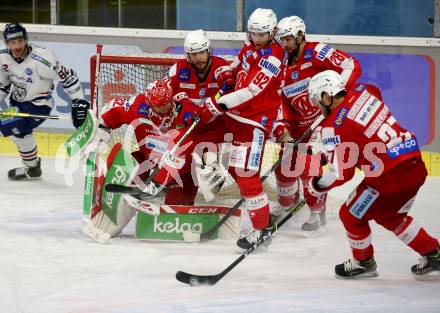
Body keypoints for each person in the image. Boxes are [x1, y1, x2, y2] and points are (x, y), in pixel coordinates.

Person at [306, 70, 440, 280]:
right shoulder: (364, 91)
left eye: (317, 102)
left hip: (388, 178)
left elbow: (341, 173)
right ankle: (433, 253)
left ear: (326, 96)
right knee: (390, 216)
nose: (318, 108)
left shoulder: (333, 128)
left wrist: (317, 186)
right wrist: (331, 148)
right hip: (414, 164)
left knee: (350, 215)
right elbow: (363, 118)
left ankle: (363, 262)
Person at [195, 8, 285, 250]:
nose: (257, 39)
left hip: (255, 122)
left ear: (273, 31)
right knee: (238, 171)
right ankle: (258, 213)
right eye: (253, 34)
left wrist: (216, 105)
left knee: (246, 174)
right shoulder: (251, 46)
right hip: (238, 117)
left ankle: (262, 229)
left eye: (262, 35)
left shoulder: (274, 57)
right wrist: (228, 73)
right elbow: (237, 66)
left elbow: (250, 91)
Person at [272, 16, 361, 235]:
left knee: (311, 166)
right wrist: (283, 125)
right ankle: (286, 205)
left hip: (323, 122)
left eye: (288, 39)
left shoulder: (318, 51)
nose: (285, 44)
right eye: (281, 40)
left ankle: (316, 211)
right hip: (298, 126)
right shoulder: (281, 65)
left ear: (301, 35)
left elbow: (351, 65)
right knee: (284, 170)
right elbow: (282, 99)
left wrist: (335, 96)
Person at [0, 22, 90, 180]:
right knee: (20, 134)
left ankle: (32, 167)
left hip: (38, 106)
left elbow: (69, 78)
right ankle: (32, 168)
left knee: (8, 125)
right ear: (7, 43)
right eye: (12, 42)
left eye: (20, 41)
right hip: (17, 103)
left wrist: (78, 102)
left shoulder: (44, 59)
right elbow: (3, 85)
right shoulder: (3, 56)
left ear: (26, 40)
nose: (17, 46)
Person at [101, 78, 201, 205]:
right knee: (119, 157)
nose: (164, 109)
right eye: (159, 106)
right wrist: (102, 129)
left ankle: (171, 199)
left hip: (179, 175)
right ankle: (115, 197)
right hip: (148, 166)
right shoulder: (137, 106)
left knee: (176, 205)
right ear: (149, 103)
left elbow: (206, 131)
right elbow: (112, 109)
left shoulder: (186, 109)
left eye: (167, 104)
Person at [168, 29, 235, 105]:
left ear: (208, 50)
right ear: (188, 55)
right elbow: (163, 93)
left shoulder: (223, 67)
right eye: (194, 54)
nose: (198, 58)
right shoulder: (177, 69)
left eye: (201, 52)